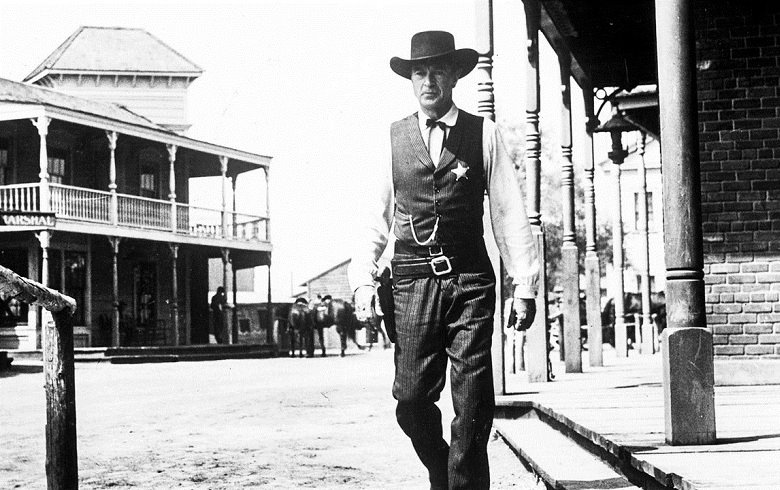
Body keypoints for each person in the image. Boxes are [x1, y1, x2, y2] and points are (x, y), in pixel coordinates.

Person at [349, 31, 540, 489]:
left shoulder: (483, 133)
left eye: (438, 71)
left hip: (470, 278)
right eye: (420, 72)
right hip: (411, 281)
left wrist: (525, 284)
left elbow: (508, 213)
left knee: (472, 402)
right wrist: (362, 281)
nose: (428, 81)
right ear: (411, 79)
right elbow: (373, 217)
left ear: (455, 76)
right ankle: (442, 468)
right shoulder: (392, 138)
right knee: (411, 400)